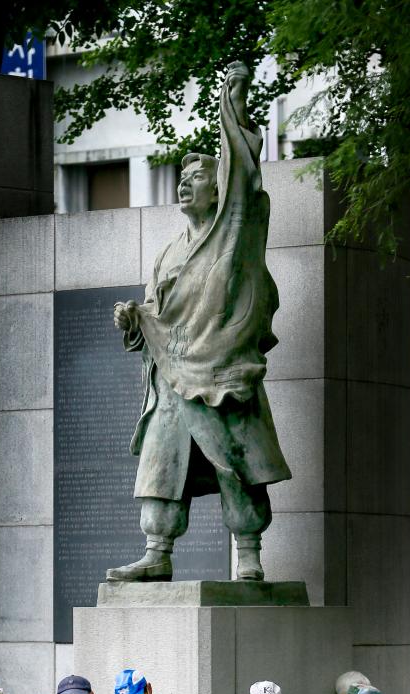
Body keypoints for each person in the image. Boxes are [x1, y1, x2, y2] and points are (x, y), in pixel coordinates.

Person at [105, 61, 290, 585]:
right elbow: (157, 317)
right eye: (182, 182)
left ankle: (248, 554)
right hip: (171, 378)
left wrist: (231, 106)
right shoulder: (167, 254)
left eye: (198, 181)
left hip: (221, 371)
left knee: (235, 464)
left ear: (218, 192)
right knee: (162, 467)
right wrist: (133, 321)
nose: (186, 188)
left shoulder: (234, 241)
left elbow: (245, 189)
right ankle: (156, 550)